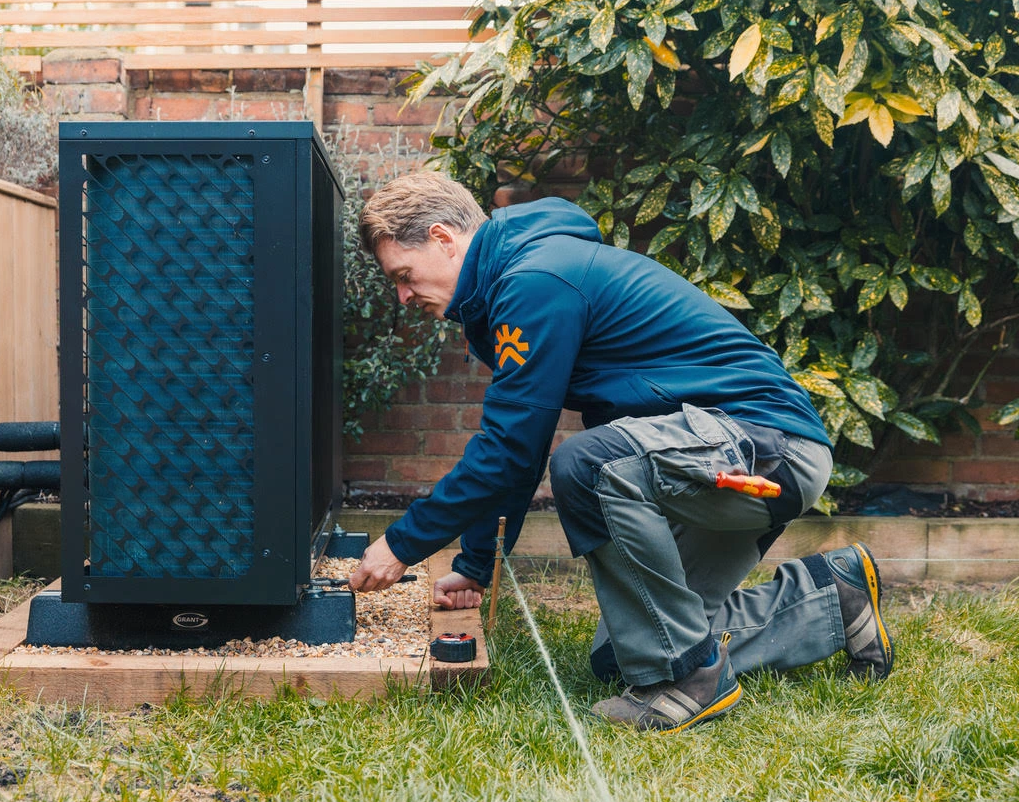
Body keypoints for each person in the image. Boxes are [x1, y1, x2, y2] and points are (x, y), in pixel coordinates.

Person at [347, 171, 894, 733]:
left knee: (587, 466)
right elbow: (518, 446)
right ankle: (834, 596)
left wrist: (403, 543)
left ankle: (691, 682)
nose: (404, 295)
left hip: (764, 449)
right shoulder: (518, 279)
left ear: (442, 237)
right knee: (628, 654)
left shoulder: (535, 279)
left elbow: (510, 449)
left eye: (404, 276)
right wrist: (477, 565)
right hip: (709, 458)